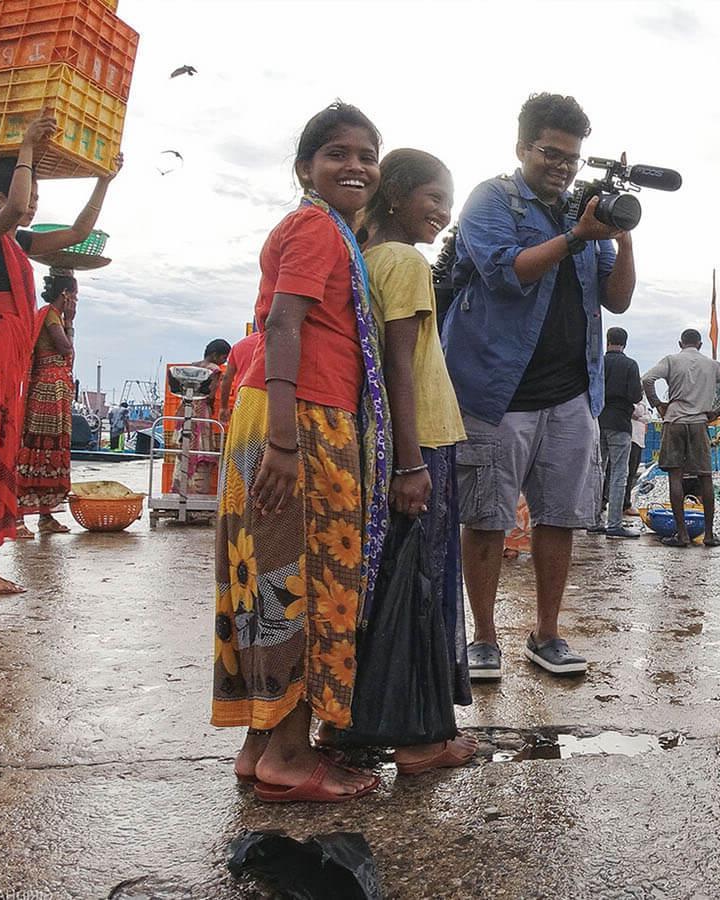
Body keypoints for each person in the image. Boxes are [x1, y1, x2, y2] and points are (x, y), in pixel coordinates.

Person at [212, 102, 388, 803]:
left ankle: (263, 746)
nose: (355, 165)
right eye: (337, 153)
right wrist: (286, 442)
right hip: (298, 418)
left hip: (286, 413)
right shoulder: (316, 225)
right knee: (305, 580)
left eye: (367, 154)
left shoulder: (324, 229)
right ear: (304, 169)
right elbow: (285, 323)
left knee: (273, 578)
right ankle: (288, 754)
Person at [442, 92, 636, 680]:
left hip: (573, 394)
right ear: (523, 146)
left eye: (572, 157)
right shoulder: (492, 200)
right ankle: (483, 637)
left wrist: (622, 234)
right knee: (486, 518)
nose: (562, 166)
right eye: (551, 153)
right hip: (495, 393)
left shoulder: (586, 218)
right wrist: (577, 236)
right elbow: (505, 272)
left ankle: (546, 634)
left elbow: (618, 298)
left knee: (561, 518)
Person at [0, 114, 120, 594]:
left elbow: (78, 232)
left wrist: (104, 179)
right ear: (0, 199)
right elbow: (15, 205)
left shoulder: (20, 243)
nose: (32, 203)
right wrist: (27, 149)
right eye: (28, 194)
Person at [361, 147, 477, 774]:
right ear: (398, 194)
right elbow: (398, 364)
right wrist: (412, 462)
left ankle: (360, 726)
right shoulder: (405, 261)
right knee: (422, 587)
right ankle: (418, 740)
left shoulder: (368, 256)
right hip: (421, 440)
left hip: (389, 440)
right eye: (434, 198)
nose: (442, 213)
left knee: (387, 587)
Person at [641, 328, 720, 548]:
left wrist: (658, 404)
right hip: (699, 423)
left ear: (680, 343)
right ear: (699, 345)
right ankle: (708, 534)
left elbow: (648, 379)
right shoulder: (711, 365)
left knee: (675, 477)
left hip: (675, 421)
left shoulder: (671, 360)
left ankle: (682, 535)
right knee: (705, 477)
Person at [14, 269, 80, 537]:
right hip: (45, 392)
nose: (76, 301)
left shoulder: (54, 316)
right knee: (35, 450)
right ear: (65, 294)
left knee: (52, 452)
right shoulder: (50, 316)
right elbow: (65, 347)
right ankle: (18, 518)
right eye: (74, 295)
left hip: (57, 392)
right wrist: (70, 320)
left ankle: (45, 516)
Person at [597, 326, 642, 538]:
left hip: (597, 421)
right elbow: (635, 395)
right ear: (625, 343)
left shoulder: (598, 362)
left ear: (607, 341)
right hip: (620, 424)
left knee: (597, 471)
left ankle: (593, 520)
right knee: (618, 474)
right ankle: (614, 524)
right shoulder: (630, 365)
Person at [171, 338, 231, 497]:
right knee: (202, 451)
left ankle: (180, 491)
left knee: (184, 450)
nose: (224, 361)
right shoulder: (215, 370)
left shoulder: (193, 366)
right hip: (201, 412)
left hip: (184, 411)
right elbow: (210, 394)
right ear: (215, 355)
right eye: (224, 357)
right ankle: (197, 494)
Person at [624, 400, 650, 516]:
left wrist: (643, 415)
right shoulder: (635, 398)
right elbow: (637, 412)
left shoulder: (642, 400)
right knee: (627, 473)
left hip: (639, 440)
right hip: (632, 438)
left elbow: (647, 417)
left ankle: (625, 502)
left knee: (632, 472)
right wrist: (642, 413)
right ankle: (625, 504)